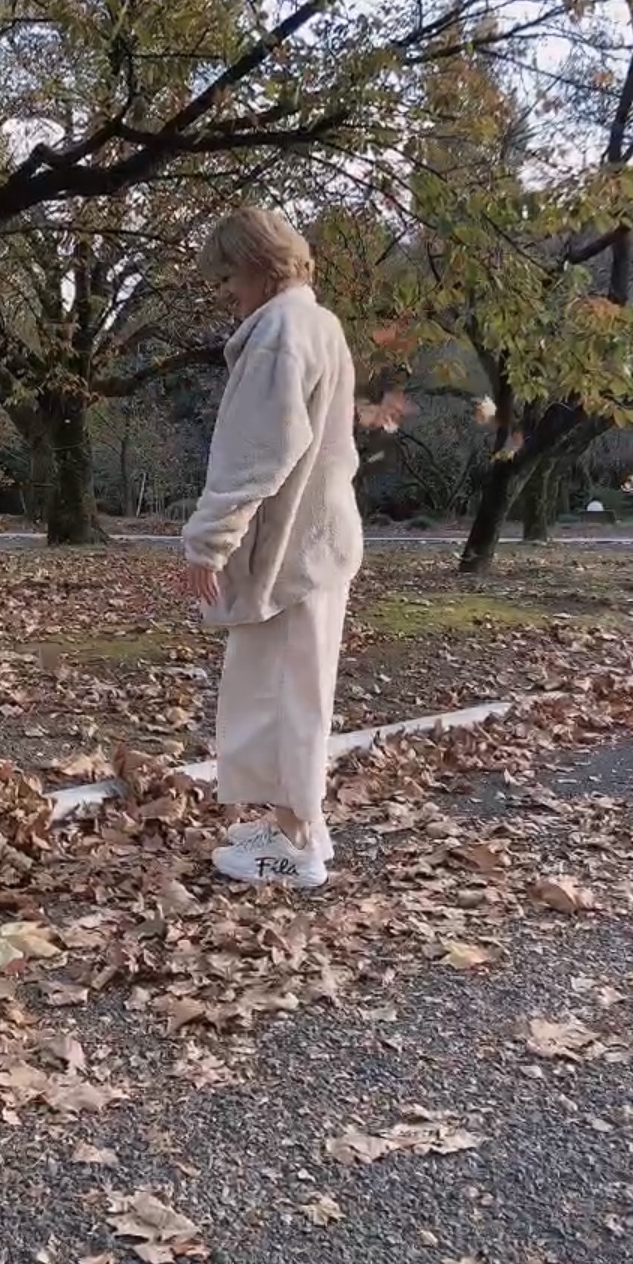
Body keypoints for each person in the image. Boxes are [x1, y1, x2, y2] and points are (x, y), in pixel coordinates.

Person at [183, 208, 363, 890]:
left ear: (259, 266)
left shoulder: (280, 332)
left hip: (294, 551)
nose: (228, 291)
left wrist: (209, 540)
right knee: (290, 689)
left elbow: (259, 452)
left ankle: (295, 846)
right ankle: (300, 824)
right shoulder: (317, 323)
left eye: (230, 275)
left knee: (284, 695)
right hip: (315, 543)